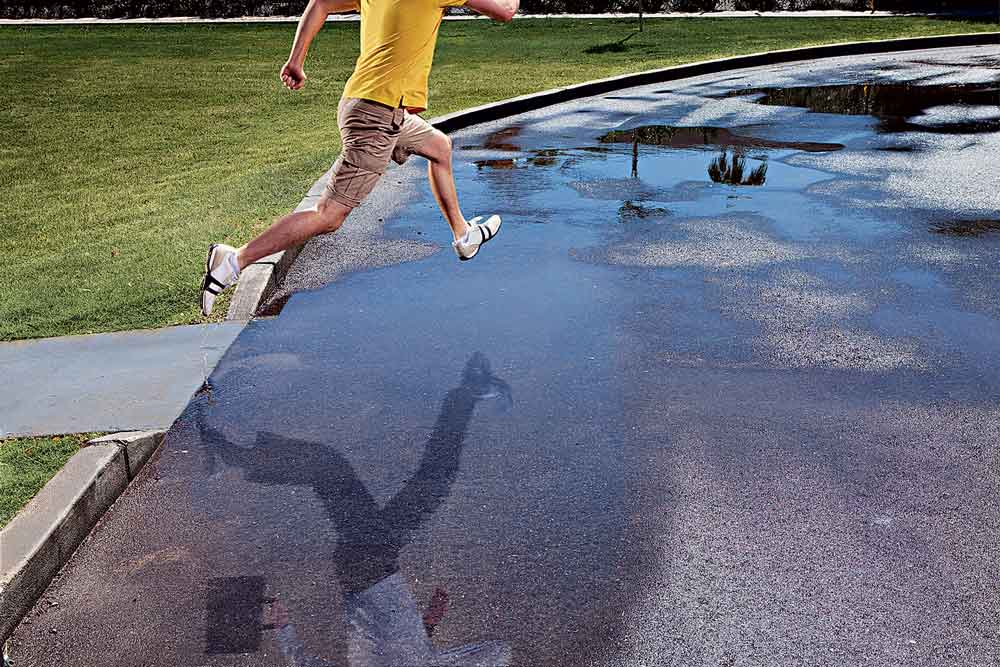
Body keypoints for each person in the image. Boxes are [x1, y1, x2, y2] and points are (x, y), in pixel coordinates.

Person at [201, 0, 520, 316]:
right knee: (329, 214)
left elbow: (321, 3)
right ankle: (234, 261)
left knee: (439, 147)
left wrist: (296, 62)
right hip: (377, 118)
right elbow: (505, 11)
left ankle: (463, 235)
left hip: (364, 104)